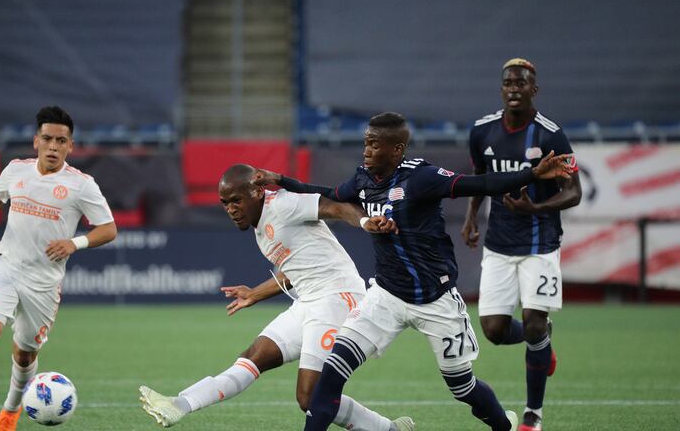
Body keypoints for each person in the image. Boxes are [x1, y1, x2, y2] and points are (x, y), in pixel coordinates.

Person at [253, 112, 573, 431]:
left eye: (374, 144)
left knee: (463, 387)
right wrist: (283, 180)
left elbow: (481, 183)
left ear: (396, 149)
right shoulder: (363, 179)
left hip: (436, 300)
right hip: (385, 298)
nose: (366, 150)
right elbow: (329, 193)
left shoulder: (422, 178)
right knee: (331, 374)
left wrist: (532, 175)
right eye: (366, 142)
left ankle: (503, 426)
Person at [139, 164, 414, 431]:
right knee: (252, 357)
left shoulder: (282, 204)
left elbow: (335, 206)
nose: (231, 209)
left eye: (236, 201)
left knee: (310, 397)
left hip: (336, 297)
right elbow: (295, 269)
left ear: (256, 193)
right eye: (225, 203)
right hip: (308, 301)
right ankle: (180, 403)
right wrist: (255, 293)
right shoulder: (260, 223)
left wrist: (365, 221)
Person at [0, 106, 117, 431]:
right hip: (6, 266)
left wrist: (74, 243)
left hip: (44, 282)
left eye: (61, 141)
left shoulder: (82, 185)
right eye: (48, 139)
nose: (54, 146)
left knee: (25, 355)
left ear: (70, 146)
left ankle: (10, 411)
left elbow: (109, 228)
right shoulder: (16, 170)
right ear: (36, 141)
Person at [461, 58, 582, 431]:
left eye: (522, 83)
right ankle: (543, 339)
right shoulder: (482, 131)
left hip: (540, 244)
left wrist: (537, 207)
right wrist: (470, 218)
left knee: (532, 321)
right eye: (508, 83)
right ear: (501, 90)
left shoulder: (550, 135)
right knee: (494, 331)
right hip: (498, 244)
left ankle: (533, 415)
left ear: (534, 90)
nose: (514, 88)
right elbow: (479, 179)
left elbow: (574, 191)